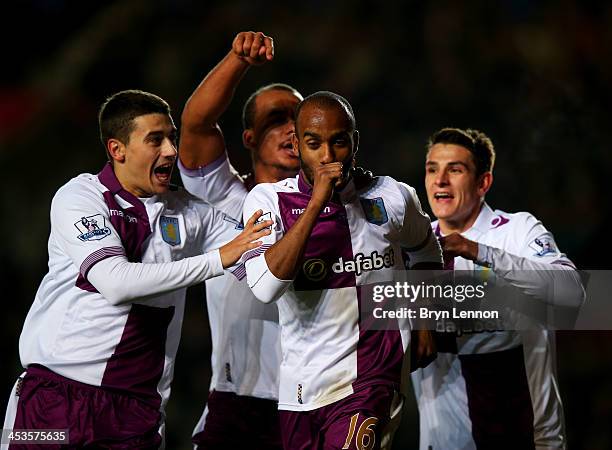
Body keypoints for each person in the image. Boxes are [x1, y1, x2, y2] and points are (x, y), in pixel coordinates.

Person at [1, 90, 271, 450]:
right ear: (118, 149)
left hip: (135, 417)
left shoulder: (191, 213)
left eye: (172, 138)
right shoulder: (79, 197)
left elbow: (261, 267)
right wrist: (217, 259)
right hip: (53, 400)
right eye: (155, 139)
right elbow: (114, 282)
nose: (171, 151)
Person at [241, 91, 442, 450]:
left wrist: (424, 319)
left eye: (339, 142)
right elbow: (266, 287)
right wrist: (317, 203)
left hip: (371, 379)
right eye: (315, 144)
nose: (328, 157)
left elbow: (426, 248)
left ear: (355, 141)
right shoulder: (267, 201)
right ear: (298, 144)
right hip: (300, 389)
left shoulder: (392, 196)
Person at [411, 127, 585, 450]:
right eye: (432, 169)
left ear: (483, 183)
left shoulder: (518, 231)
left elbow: (572, 293)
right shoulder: (412, 247)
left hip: (526, 440)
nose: (440, 180)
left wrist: (478, 251)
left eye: (455, 169)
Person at [177, 31, 302, 449]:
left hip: (312, 399)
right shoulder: (224, 197)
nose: (291, 130)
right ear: (248, 138)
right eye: (276, 120)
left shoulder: (332, 212)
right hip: (237, 403)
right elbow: (195, 123)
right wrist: (237, 59)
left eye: (298, 121)